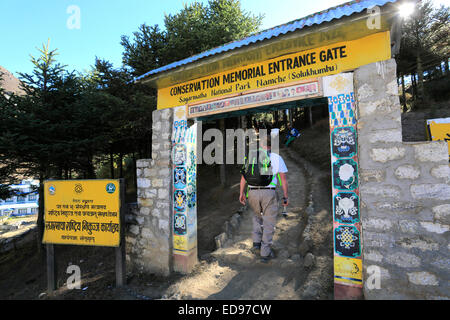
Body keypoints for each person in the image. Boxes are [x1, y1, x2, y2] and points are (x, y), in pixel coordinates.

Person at [239, 135, 289, 263]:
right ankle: (265, 253)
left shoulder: (252, 158)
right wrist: (285, 196)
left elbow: (244, 178)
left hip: (252, 193)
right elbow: (283, 180)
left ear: (261, 145)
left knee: (257, 216)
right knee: (269, 222)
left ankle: (256, 242)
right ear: (271, 146)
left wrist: (242, 193)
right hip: (269, 193)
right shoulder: (277, 158)